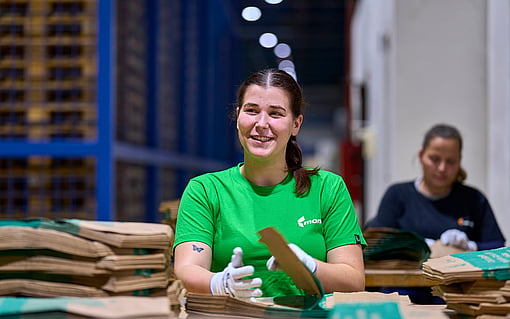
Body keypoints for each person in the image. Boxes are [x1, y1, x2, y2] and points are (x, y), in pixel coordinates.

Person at [173, 68, 366, 299]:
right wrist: (219, 283)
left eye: (275, 113)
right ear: (238, 117)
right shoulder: (205, 190)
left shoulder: (328, 188)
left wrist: (311, 266)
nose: (262, 123)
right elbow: (187, 269)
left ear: (296, 124)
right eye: (252, 111)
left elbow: (353, 278)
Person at [365, 123, 506, 304]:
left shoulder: (474, 199)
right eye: (435, 159)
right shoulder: (398, 195)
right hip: (403, 296)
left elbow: (497, 247)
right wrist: (422, 248)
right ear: (421, 156)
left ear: (460, 161)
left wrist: (471, 248)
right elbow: (377, 248)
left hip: (456, 299)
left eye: (450, 161)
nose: (441, 168)